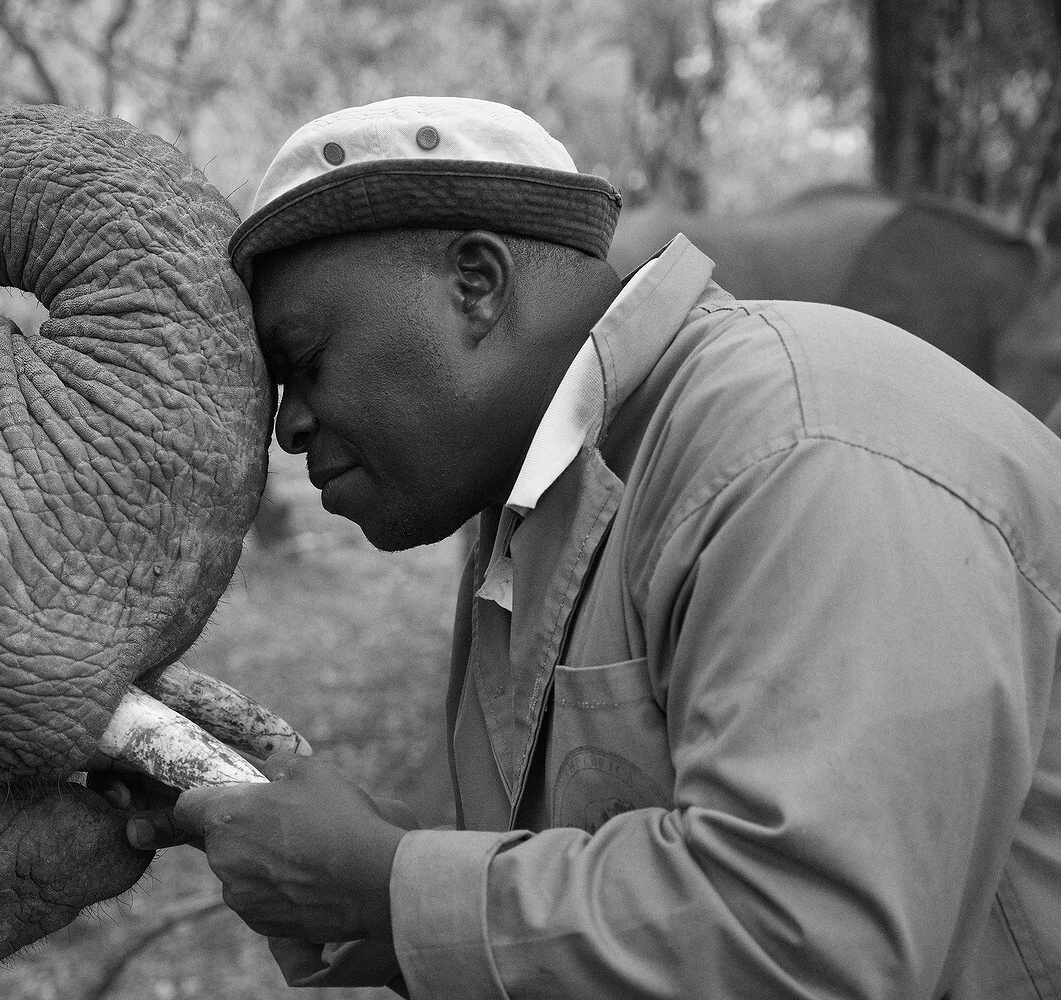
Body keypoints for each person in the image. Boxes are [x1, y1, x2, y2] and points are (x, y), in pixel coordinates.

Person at [120, 96, 1061, 998]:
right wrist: (351, 864)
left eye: (306, 361)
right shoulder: (532, 523)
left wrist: (394, 886)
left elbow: (811, 943)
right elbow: (612, 890)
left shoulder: (799, 449)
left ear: (476, 285)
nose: (288, 428)